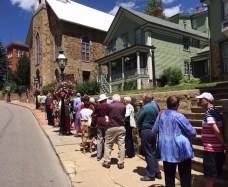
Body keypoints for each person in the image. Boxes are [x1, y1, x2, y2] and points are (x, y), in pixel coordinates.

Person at [152, 96, 197, 187]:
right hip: (182, 151)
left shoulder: (161, 116)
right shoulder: (179, 116)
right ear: (177, 105)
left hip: (166, 150)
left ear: (167, 104)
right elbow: (192, 132)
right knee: (185, 176)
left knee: (169, 176)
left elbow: (154, 131)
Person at [196, 92, 226, 187]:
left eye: (201, 99)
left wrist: (224, 144)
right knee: (213, 175)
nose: (199, 101)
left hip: (212, 150)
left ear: (208, 100)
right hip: (215, 149)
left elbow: (216, 130)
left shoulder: (210, 113)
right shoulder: (214, 111)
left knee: (210, 177)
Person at [137, 92, 161, 181]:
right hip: (154, 130)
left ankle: (151, 174)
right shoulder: (155, 107)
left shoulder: (145, 107)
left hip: (146, 130)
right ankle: (157, 172)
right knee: (153, 152)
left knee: (148, 153)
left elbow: (139, 119)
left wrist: (138, 127)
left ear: (145, 99)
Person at [102, 94, 126, 169]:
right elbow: (123, 115)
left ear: (113, 99)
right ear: (119, 99)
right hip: (121, 127)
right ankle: (121, 162)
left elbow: (106, 115)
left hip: (112, 126)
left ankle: (107, 161)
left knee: (108, 144)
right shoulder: (123, 106)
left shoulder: (110, 106)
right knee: (121, 145)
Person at [92, 94, 109, 161]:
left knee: (99, 138)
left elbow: (93, 114)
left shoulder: (97, 106)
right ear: (105, 100)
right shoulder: (108, 106)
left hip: (99, 122)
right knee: (107, 139)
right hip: (106, 121)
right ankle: (106, 154)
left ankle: (99, 155)